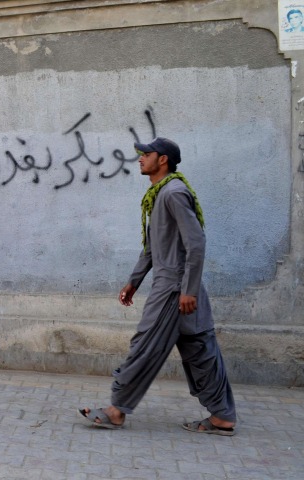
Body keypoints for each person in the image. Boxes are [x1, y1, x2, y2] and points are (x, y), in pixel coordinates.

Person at [78, 137, 237, 436]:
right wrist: (133, 282)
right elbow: (153, 248)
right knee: (200, 349)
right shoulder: (160, 193)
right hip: (178, 287)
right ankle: (222, 417)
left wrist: (188, 289)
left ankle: (116, 411)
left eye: (145, 154)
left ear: (162, 160)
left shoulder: (173, 193)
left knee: (145, 346)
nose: (139, 158)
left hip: (174, 290)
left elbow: (196, 243)